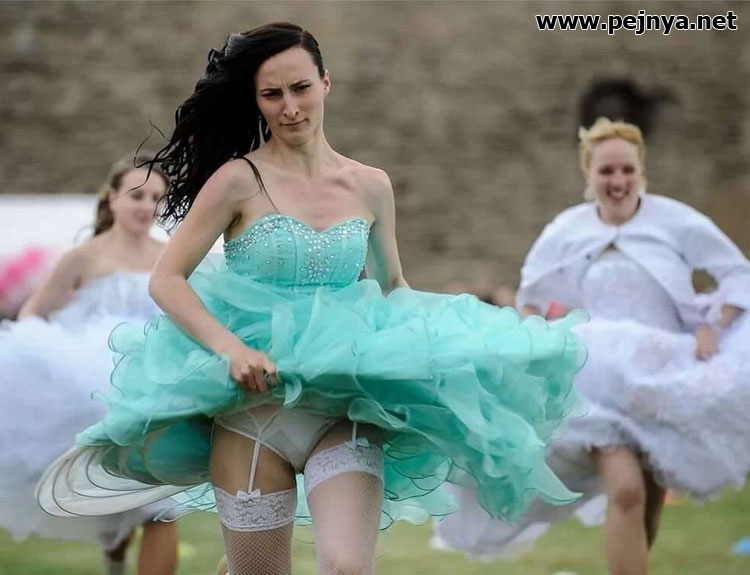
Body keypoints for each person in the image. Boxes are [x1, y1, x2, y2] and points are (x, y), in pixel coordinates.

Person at [37, 23, 585, 575]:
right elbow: (167, 279)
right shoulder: (237, 180)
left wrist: (464, 341)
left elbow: (393, 287)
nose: (290, 107)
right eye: (272, 94)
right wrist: (230, 348)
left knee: (348, 568)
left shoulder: (371, 185)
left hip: (343, 408)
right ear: (256, 100)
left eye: (300, 88)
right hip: (251, 412)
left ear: (325, 82)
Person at [434, 118, 750, 574]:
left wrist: (714, 327)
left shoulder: (676, 221)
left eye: (627, 170)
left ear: (640, 170)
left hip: (660, 381)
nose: (618, 180)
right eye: (606, 171)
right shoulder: (567, 229)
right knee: (626, 490)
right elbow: (531, 296)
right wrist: (537, 342)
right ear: (588, 173)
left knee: (647, 507)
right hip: (595, 381)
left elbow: (737, 273)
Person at [0, 155, 178, 575]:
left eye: (156, 198)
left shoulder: (172, 256)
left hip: (161, 389)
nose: (147, 206)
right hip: (97, 391)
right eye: (137, 195)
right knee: (116, 505)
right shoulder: (83, 256)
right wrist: (47, 357)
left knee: (163, 505)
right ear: (112, 198)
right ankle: (114, 553)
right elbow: (32, 312)